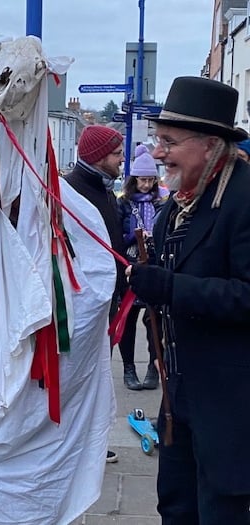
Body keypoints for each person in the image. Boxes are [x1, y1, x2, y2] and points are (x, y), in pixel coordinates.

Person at [126, 76, 250, 524]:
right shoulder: (177, 205)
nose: (157, 152)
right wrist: (139, 273)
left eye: (168, 142)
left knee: (220, 513)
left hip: (232, 407)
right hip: (179, 398)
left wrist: (169, 287)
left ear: (210, 144)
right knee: (176, 508)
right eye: (158, 140)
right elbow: (165, 266)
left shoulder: (243, 198)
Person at [65, 124, 125, 463]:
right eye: (116, 154)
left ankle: (92, 443)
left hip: (108, 300)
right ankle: (78, 448)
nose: (121, 159)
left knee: (100, 378)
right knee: (82, 380)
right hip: (84, 305)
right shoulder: (73, 189)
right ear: (99, 156)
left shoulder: (103, 187)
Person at [117, 144, 168, 390]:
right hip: (130, 263)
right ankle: (129, 367)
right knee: (127, 319)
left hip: (154, 263)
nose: (146, 185)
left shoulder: (161, 203)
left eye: (150, 180)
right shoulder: (124, 203)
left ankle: (153, 365)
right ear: (134, 180)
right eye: (142, 180)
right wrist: (132, 236)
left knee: (154, 320)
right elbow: (117, 233)